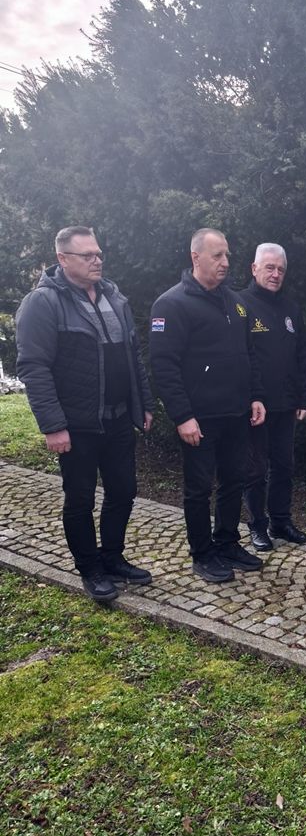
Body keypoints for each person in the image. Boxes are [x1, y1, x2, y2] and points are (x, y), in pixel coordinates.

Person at [15, 226, 154, 602]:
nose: (97, 260)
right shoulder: (43, 303)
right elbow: (34, 367)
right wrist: (53, 425)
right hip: (76, 424)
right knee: (80, 499)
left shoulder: (114, 297)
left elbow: (132, 356)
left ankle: (112, 558)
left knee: (124, 490)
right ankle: (90, 569)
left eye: (98, 253)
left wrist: (143, 404)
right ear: (62, 259)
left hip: (118, 419)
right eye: (87, 255)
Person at [149, 228, 266, 583]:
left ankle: (227, 542)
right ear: (195, 257)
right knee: (199, 488)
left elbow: (249, 354)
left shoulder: (236, 302)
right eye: (217, 256)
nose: (225, 262)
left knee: (234, 480)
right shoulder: (171, 304)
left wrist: (255, 395)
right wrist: (182, 416)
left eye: (227, 255)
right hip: (199, 418)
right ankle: (202, 554)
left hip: (236, 413)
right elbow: (164, 366)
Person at [240, 243, 306, 551]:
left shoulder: (291, 308)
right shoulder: (240, 304)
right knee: (255, 469)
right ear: (254, 268)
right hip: (255, 406)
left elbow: (302, 356)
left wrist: (304, 397)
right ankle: (257, 525)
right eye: (269, 267)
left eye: (281, 269)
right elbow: (240, 357)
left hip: (286, 403)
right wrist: (250, 396)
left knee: (284, 466)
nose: (275, 274)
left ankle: (280, 521)